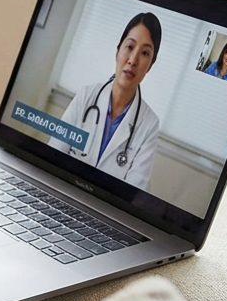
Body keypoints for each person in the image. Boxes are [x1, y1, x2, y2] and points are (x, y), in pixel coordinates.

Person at [48, 13, 163, 189]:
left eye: (145, 53)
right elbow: (53, 157)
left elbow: (134, 192)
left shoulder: (149, 124)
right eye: (130, 47)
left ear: (151, 65)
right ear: (118, 50)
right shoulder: (86, 95)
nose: (133, 60)